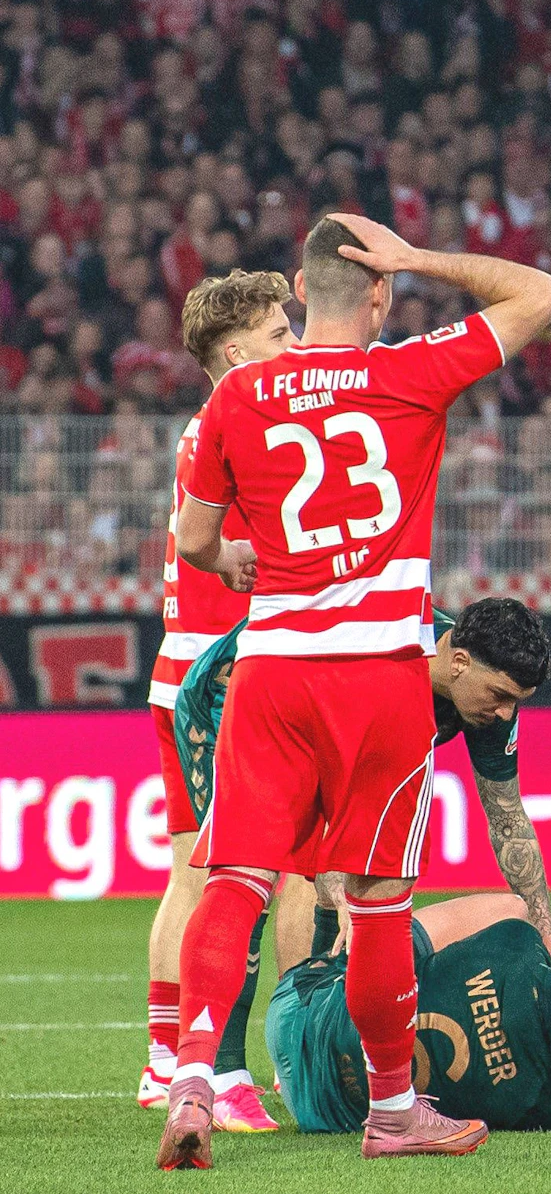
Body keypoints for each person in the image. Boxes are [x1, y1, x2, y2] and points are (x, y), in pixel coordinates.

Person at [157, 213, 551, 1169]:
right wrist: (419, 257)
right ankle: (391, 1111)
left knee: (237, 880)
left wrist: (237, 555)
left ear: (297, 295)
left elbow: (193, 541)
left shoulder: (239, 394)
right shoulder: (410, 369)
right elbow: (541, 294)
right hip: (379, 673)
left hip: (273, 667)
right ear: (376, 293)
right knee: (378, 899)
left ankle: (190, 1077)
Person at [140, 270, 303, 1133]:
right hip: (222, 683)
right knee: (258, 877)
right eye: (282, 333)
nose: (297, 344)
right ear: (237, 353)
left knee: (193, 875)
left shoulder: (203, 427)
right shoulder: (248, 422)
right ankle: (234, 1068)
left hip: (181, 674)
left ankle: (168, 1056)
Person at [175, 596, 551, 957]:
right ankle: (228, 1024)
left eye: (516, 701)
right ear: (459, 662)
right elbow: (322, 801)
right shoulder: (376, 663)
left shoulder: (485, 698)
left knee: (339, 886)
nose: (506, 713)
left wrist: (547, 938)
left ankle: (309, 1011)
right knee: (249, 880)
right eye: (500, 695)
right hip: (229, 700)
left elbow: (508, 818)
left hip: (324, 717)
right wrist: (340, 894)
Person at [267, 892, 551, 1134]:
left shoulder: (517, 944)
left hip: (296, 1014)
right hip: (320, 1112)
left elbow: (519, 926)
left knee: (509, 906)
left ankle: (352, 929)